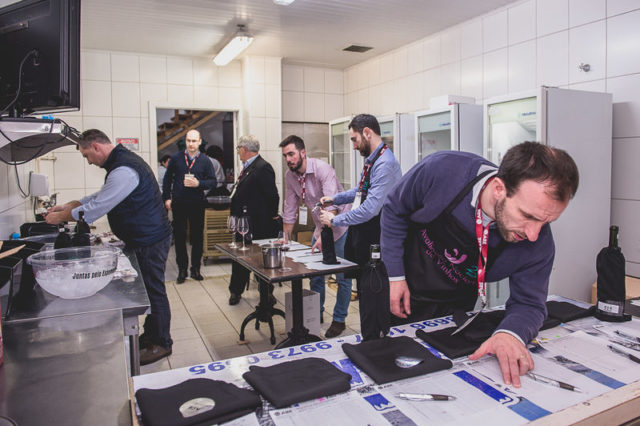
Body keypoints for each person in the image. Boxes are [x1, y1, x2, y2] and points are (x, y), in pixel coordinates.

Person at [380, 142, 579, 388]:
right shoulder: (443, 171)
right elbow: (394, 210)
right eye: (528, 216)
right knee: (384, 363)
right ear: (498, 189)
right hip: (399, 284)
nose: (533, 234)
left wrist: (510, 333)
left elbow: (529, 303)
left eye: (546, 222)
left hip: (453, 308)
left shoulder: (539, 244)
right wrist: (394, 275)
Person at [45, 129, 174, 365]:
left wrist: (61, 216)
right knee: (148, 290)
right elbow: (101, 195)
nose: (88, 161)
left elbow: (97, 207)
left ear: (96, 147)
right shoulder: (120, 165)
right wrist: (72, 204)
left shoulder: (124, 169)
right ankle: (151, 335)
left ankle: (162, 343)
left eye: (86, 155)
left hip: (150, 239)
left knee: (154, 290)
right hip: (144, 237)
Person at [319, 114, 401, 337]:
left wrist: (334, 220)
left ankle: (375, 343)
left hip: (378, 240)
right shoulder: (373, 159)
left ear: (367, 133)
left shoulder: (385, 164)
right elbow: (360, 191)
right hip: (366, 239)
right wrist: (335, 199)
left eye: (354, 139)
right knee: (365, 295)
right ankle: (369, 341)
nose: (354, 146)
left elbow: (370, 209)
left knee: (374, 298)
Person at [280, 135, 353, 338]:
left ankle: (339, 319)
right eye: (285, 156)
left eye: (291, 154)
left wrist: (324, 235)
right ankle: (316, 314)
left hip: (340, 225)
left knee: (343, 277)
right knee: (315, 275)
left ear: (303, 153)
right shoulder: (290, 176)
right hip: (320, 227)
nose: (288, 159)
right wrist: (285, 237)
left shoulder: (323, 169)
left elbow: (331, 205)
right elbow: (290, 207)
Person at [228, 134, 280, 305]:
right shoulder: (248, 167)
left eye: (238, 149)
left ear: (244, 149)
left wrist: (272, 216)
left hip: (258, 225)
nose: (237, 152)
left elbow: (273, 196)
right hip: (243, 223)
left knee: (260, 261)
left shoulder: (263, 167)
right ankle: (236, 291)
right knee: (240, 258)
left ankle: (266, 293)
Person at [163, 129, 216, 284]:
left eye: (194, 141)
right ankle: (182, 270)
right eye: (188, 140)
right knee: (180, 238)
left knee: (197, 238)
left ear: (200, 142)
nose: (191, 144)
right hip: (179, 203)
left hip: (197, 203)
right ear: (185, 141)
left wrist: (199, 183)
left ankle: (195, 269)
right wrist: (167, 198)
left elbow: (213, 182)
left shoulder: (205, 161)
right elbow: (167, 180)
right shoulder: (176, 158)